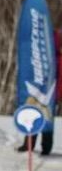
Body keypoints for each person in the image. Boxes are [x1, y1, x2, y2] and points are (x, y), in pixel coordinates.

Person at [16, 26, 60, 156]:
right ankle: (29, 144)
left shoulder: (55, 55)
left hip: (51, 91)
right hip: (39, 89)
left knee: (46, 118)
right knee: (34, 115)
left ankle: (45, 147)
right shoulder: (41, 52)